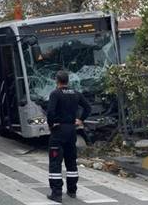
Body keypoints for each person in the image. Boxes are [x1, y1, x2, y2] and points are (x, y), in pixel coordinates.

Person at [46, 70, 91, 202]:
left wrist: (50, 124)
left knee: (55, 162)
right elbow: (87, 107)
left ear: (57, 81)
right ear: (67, 81)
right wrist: (81, 119)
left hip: (58, 129)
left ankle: (56, 193)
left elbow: (50, 111)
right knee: (71, 161)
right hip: (72, 130)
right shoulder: (76, 93)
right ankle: (72, 190)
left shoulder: (55, 94)